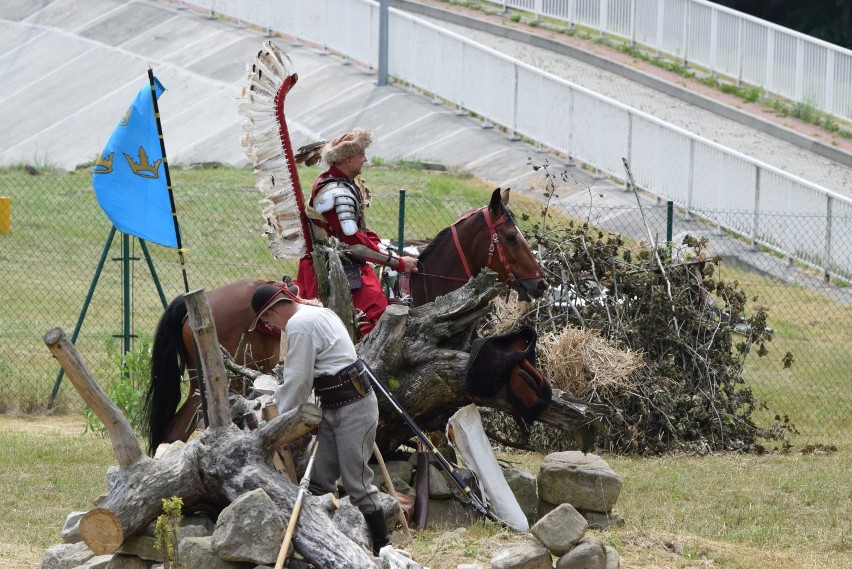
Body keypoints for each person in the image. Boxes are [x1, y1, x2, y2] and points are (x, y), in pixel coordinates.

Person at [248, 283, 390, 556]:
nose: (270, 325)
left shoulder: (300, 325)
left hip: (353, 407)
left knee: (356, 482)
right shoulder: (315, 313)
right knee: (319, 479)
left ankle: (383, 547)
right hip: (332, 404)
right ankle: (321, 543)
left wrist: (278, 421)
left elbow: (298, 381)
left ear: (273, 311)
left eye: (266, 319)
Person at [294, 128, 418, 336]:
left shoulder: (342, 183)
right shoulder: (337, 192)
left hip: (344, 258)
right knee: (377, 312)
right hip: (336, 265)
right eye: (361, 155)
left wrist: (382, 247)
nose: (366, 159)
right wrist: (398, 262)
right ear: (349, 160)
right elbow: (353, 243)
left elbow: (357, 231)